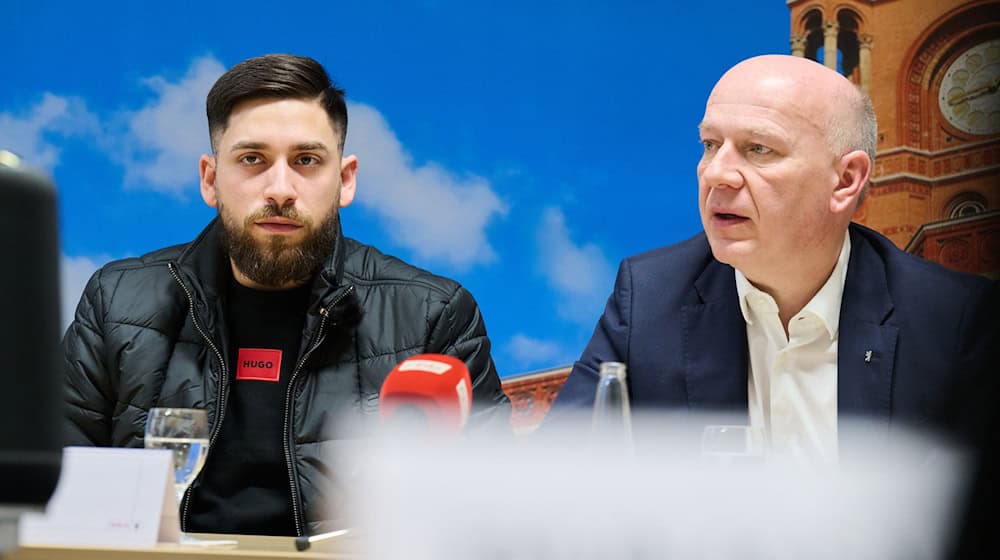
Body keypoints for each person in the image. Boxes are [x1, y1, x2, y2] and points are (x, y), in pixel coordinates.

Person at [62, 54, 509, 536]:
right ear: (210, 179)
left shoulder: (434, 316)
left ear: (345, 179)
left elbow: (494, 515)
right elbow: (52, 491)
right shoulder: (117, 302)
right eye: (252, 159)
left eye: (307, 161)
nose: (280, 188)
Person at [552, 55, 997, 462]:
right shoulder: (648, 298)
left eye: (758, 149)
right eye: (710, 145)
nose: (717, 173)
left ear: (845, 180)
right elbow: (562, 473)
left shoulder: (957, 322)